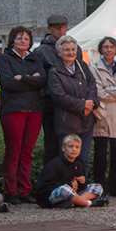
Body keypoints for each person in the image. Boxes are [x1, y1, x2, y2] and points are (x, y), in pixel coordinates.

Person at [0, 25, 46, 205]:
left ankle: (25, 191)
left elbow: (42, 80)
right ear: (12, 40)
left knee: (27, 153)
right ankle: (10, 191)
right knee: (13, 152)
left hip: (34, 110)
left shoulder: (35, 58)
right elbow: (8, 83)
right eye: (19, 38)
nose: (23, 41)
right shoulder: (4, 59)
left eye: (26, 38)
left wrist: (22, 78)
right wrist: (31, 79)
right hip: (13, 110)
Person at [47, 35, 99, 170]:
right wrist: (83, 106)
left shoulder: (82, 66)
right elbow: (59, 96)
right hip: (67, 123)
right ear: (59, 53)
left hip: (87, 121)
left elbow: (92, 85)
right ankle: (67, 189)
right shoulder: (55, 72)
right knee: (67, 160)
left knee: (84, 159)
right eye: (66, 50)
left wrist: (91, 103)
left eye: (73, 49)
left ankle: (82, 189)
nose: (70, 53)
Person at [90, 36, 116, 199]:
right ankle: (99, 188)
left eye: (112, 46)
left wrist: (109, 90)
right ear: (101, 49)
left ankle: (115, 187)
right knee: (100, 155)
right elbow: (98, 93)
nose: (108, 49)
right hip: (103, 115)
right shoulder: (94, 69)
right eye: (105, 47)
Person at [33, 14, 76, 162]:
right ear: (49, 28)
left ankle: (69, 180)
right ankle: (50, 181)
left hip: (71, 105)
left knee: (70, 145)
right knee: (52, 146)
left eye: (63, 26)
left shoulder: (75, 48)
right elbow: (40, 80)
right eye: (57, 27)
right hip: (51, 105)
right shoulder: (41, 51)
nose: (61, 30)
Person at [34, 134, 107, 209]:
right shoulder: (54, 164)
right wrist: (68, 184)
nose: (74, 149)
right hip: (52, 195)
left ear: (80, 149)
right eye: (70, 146)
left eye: (77, 147)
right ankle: (89, 203)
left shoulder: (79, 165)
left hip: (72, 195)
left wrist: (83, 182)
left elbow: (82, 188)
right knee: (65, 189)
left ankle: (75, 202)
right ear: (63, 148)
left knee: (98, 187)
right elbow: (45, 187)